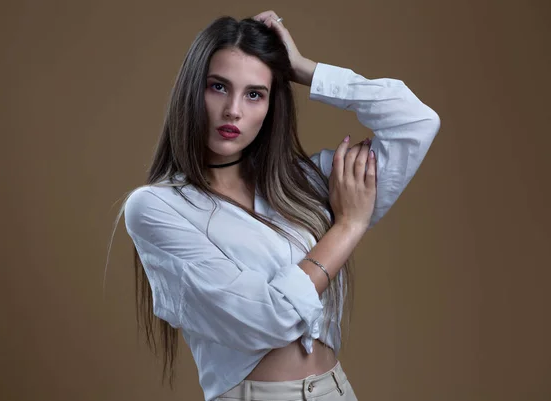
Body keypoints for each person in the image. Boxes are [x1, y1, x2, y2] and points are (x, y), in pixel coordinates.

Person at [122, 10, 440, 401]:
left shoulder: (301, 184)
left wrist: (304, 69)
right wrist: (348, 226)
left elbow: (415, 122)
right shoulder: (158, 208)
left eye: (255, 93)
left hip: (337, 390)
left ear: (272, 105)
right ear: (192, 90)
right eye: (218, 87)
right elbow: (267, 318)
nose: (233, 110)